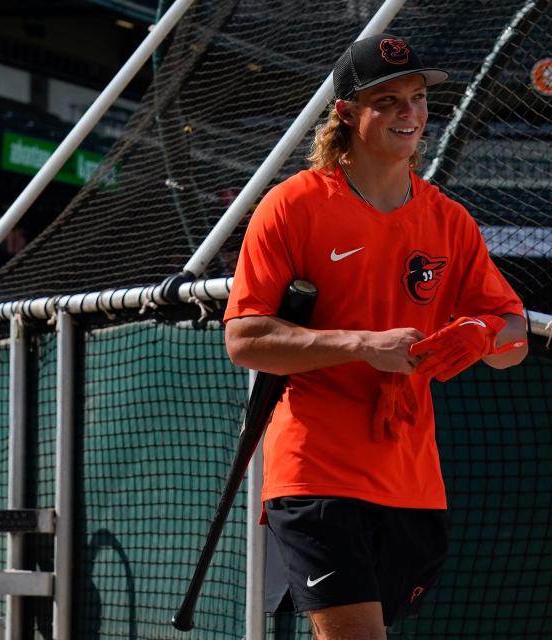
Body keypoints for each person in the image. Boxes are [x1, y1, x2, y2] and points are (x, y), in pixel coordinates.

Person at [223, 34, 528, 640]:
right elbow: (246, 339)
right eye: (387, 101)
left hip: (413, 479)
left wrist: (479, 334)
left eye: (416, 99)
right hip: (317, 470)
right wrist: (363, 344)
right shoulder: (292, 206)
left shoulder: (449, 219)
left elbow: (514, 334)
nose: (409, 113)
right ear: (345, 112)